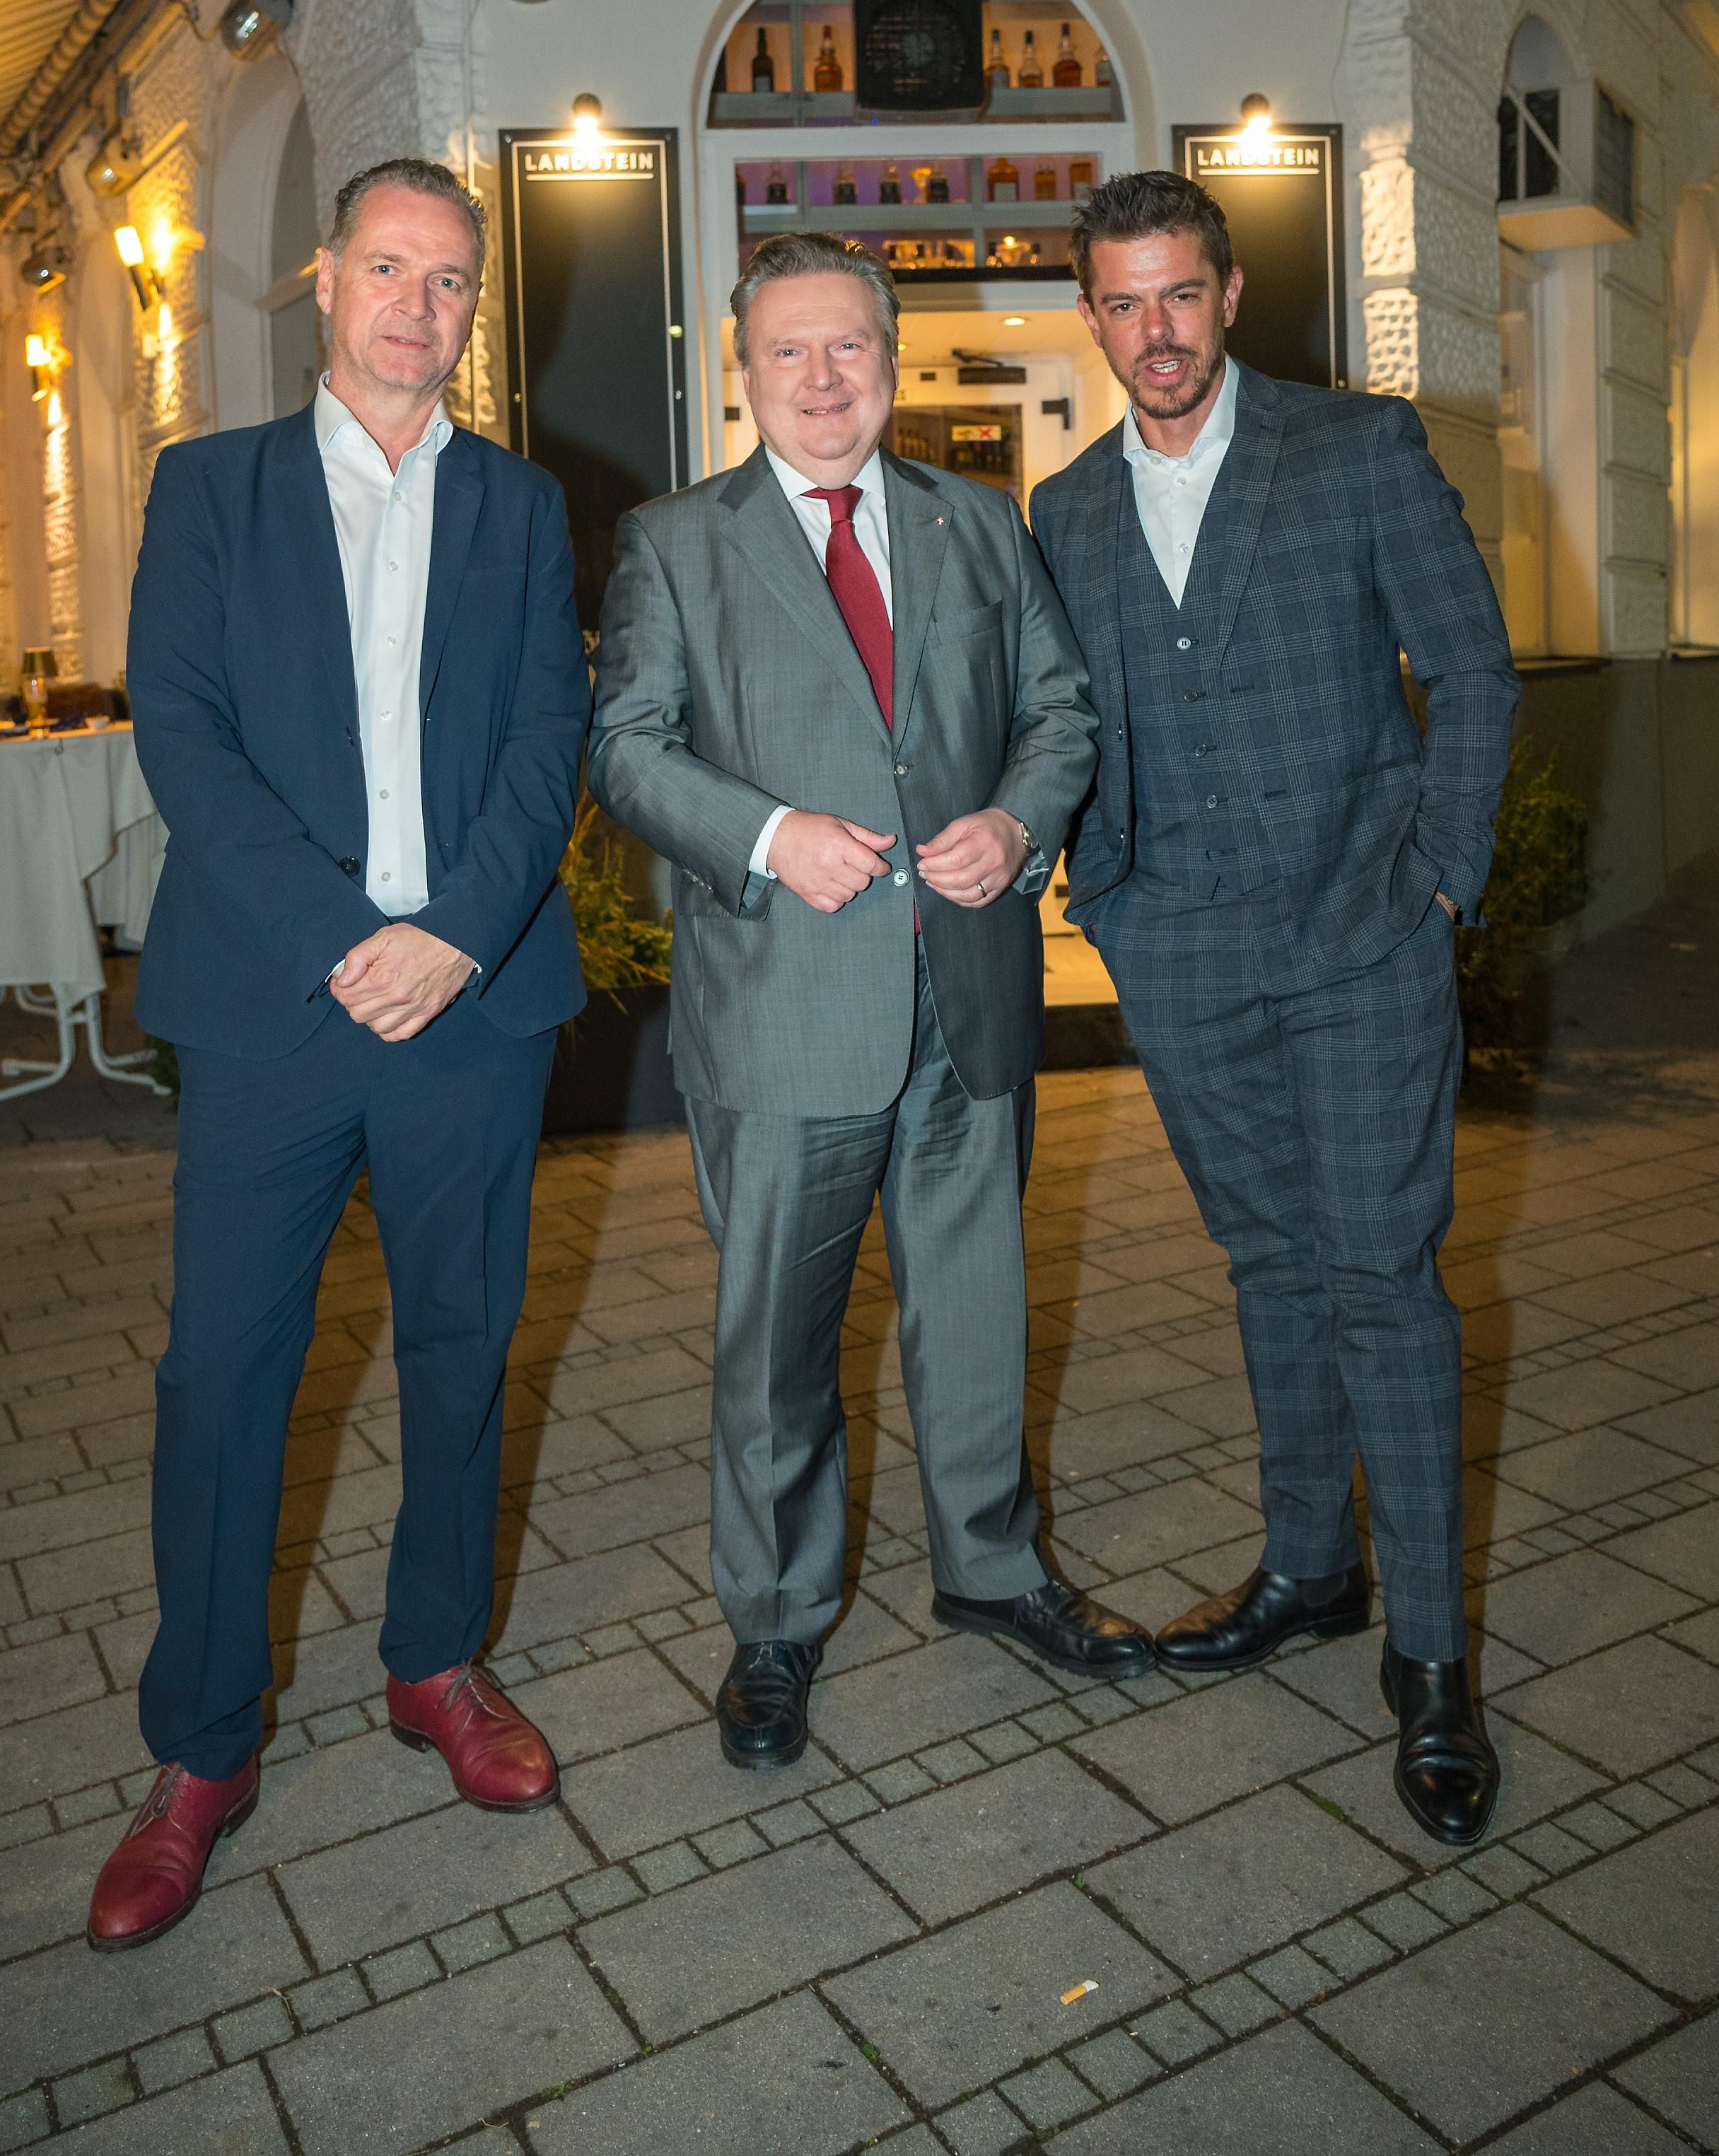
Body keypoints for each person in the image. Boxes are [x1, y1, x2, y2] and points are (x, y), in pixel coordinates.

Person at [89, 158, 588, 1951]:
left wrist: (452, 933)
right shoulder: (209, 490)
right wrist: (341, 940)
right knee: (224, 1374)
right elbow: (187, 736)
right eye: (388, 267)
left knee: (461, 1343)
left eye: (449, 282)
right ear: (324, 280)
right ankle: (199, 1747)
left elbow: (549, 738)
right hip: (273, 1004)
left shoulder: (523, 508)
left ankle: (434, 1661)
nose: (416, 304)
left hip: (471, 998)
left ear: (470, 310)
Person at [588, 231, 1148, 1770]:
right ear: (741, 368)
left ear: (888, 363)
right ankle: (773, 1617)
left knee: (973, 1304)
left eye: (848, 348)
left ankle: (990, 1566)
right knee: (776, 1341)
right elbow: (628, 747)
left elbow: (1058, 709)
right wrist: (769, 836)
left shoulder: (976, 522)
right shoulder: (674, 540)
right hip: (781, 1008)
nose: (823, 378)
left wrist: (1018, 821)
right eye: (790, 350)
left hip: (966, 990)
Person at [1030, 170, 1520, 1848]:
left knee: (1382, 1274)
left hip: (1360, 932)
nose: (1151, 331)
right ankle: (1310, 1566)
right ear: (1086, 315)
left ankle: (1433, 1655)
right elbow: (1067, 722)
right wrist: (1094, 885)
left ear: (1227, 294)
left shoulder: (1352, 449)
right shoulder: (1065, 507)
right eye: (1119, 301)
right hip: (1178, 954)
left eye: (1178, 295)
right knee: (1269, 1263)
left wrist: (1440, 873)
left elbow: (1471, 666)